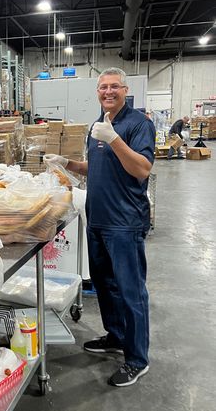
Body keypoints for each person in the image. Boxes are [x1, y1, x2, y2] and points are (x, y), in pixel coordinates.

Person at [44, 68, 155, 387]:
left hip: (125, 222)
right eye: (102, 87)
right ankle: (117, 336)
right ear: (97, 92)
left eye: (114, 87)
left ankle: (137, 358)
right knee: (106, 285)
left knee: (131, 291)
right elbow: (99, 165)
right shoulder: (97, 125)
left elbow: (141, 169)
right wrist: (69, 164)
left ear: (125, 89)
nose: (108, 92)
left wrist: (116, 139)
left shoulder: (138, 124)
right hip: (99, 220)